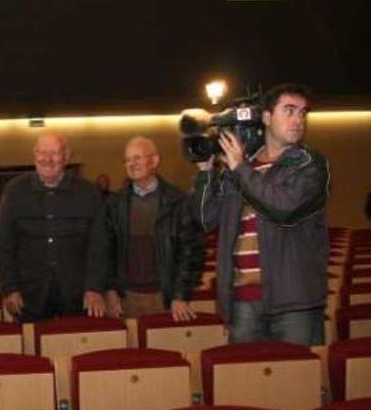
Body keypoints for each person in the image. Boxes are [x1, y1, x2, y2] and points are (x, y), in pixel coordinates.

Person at [194, 83, 329, 345]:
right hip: (243, 300)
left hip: (293, 302)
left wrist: (240, 168)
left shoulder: (310, 165)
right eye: (289, 111)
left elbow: (284, 208)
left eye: (303, 113)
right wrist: (205, 173)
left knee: (296, 380)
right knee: (247, 381)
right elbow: (205, 219)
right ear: (266, 118)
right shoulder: (241, 168)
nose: (298, 120)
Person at [85, 137, 203, 320]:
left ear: (154, 161)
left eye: (137, 158)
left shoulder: (178, 202)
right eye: (128, 160)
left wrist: (180, 296)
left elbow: (190, 253)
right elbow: (104, 252)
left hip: (165, 297)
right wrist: (108, 289)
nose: (132, 164)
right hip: (125, 299)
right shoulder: (113, 204)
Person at [0, 131, 103, 322]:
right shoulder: (14, 191)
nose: (47, 159)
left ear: (67, 156)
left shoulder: (88, 192)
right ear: (34, 155)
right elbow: (4, 245)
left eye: (55, 153)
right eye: (42, 153)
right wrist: (10, 288)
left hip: (78, 296)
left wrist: (94, 288)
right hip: (28, 296)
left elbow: (98, 246)